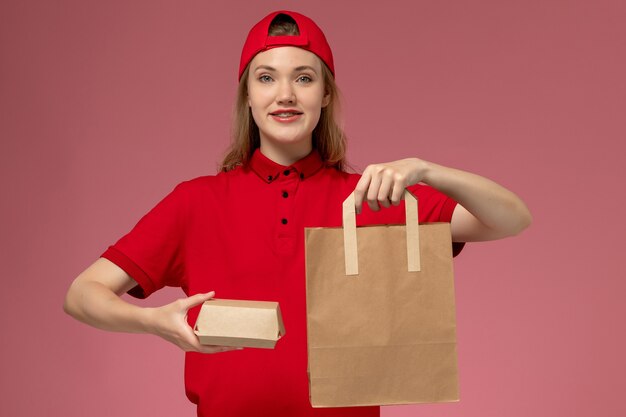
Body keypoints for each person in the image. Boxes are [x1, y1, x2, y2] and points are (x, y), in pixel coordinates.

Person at [63, 10, 531, 417]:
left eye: (303, 78)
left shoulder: (369, 197)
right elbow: (83, 294)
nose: (284, 93)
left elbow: (510, 218)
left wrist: (426, 169)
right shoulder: (196, 202)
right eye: (266, 77)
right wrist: (153, 322)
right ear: (246, 95)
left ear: (325, 95)